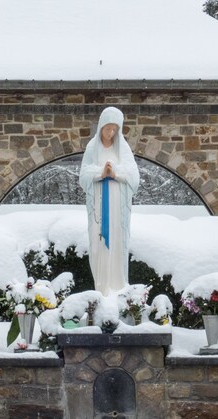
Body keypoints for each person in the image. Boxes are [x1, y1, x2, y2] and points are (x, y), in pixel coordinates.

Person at [79, 107, 140, 294]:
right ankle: (101, 287)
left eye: (114, 129)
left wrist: (115, 173)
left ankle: (118, 287)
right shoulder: (92, 147)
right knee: (98, 243)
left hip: (116, 203)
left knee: (117, 239)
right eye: (108, 128)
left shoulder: (123, 148)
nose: (111, 133)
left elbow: (134, 176)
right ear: (101, 127)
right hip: (98, 203)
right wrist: (100, 173)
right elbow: (83, 176)